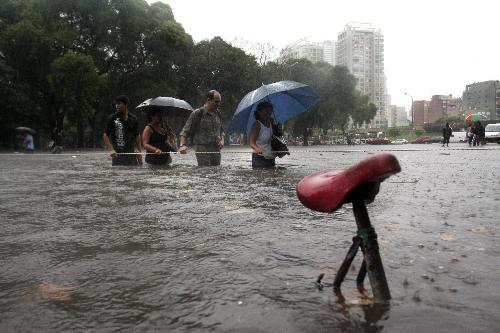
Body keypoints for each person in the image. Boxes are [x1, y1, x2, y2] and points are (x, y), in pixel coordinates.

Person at [179, 90, 224, 166]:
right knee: (205, 172)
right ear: (208, 100)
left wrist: (222, 141)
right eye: (216, 102)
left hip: (216, 149)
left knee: (217, 172)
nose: (218, 104)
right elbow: (185, 131)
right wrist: (182, 145)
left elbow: (221, 131)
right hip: (202, 149)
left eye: (219, 102)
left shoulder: (218, 113)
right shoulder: (197, 113)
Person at [102, 95, 142, 166]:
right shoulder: (112, 118)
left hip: (131, 153)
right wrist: (111, 149)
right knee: (118, 174)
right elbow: (105, 135)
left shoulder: (133, 118)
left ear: (126, 105)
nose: (116, 106)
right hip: (117, 154)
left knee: (133, 173)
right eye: (116, 104)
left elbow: (137, 135)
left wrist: (139, 151)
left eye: (119, 103)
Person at [249, 101, 276, 168]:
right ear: (259, 112)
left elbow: (276, 139)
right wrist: (257, 149)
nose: (268, 114)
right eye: (266, 111)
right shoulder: (257, 125)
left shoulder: (272, 123)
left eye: (270, 111)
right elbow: (251, 142)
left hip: (271, 157)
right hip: (259, 158)